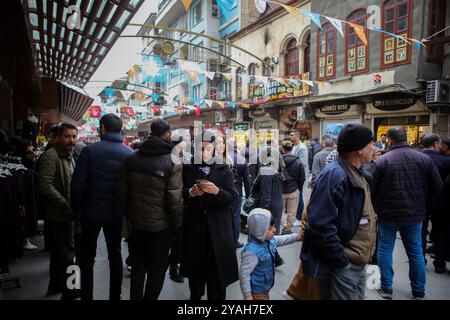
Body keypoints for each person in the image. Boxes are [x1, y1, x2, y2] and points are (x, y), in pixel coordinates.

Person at [300, 124, 376, 300]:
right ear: (358, 149)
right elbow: (319, 224)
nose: (374, 148)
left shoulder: (356, 172)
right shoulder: (335, 175)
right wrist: (341, 261)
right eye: (370, 144)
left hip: (357, 262)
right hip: (345, 263)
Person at [372, 127, 443, 300]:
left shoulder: (382, 161)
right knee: (415, 251)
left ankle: (387, 288)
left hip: (387, 214)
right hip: (415, 214)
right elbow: (437, 186)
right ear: (405, 139)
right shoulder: (424, 159)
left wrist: (377, 208)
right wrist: (425, 204)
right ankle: (418, 290)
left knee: (385, 249)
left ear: (389, 140)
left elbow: (372, 190)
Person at [117, 119, 183, 300]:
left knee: (138, 267)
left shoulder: (131, 158)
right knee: (157, 269)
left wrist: (129, 216)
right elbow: (174, 199)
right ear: (167, 134)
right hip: (161, 228)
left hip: (137, 225)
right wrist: (177, 226)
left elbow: (122, 192)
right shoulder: (173, 162)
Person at [70, 114, 133, 300]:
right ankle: (115, 296)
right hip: (116, 213)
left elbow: (78, 183)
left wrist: (77, 208)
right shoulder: (128, 153)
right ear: (120, 129)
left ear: (102, 128)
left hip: (91, 212)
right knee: (115, 255)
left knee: (87, 257)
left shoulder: (90, 151)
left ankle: (86, 296)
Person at [180, 131, 239, 300]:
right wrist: (191, 192)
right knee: (196, 281)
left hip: (218, 229)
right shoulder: (187, 167)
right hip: (195, 228)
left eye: (208, 149)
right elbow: (179, 193)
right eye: (200, 149)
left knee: (217, 280)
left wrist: (217, 191)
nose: (204, 153)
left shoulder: (223, 168)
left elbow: (232, 196)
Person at [38, 123, 80, 300]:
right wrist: (64, 204)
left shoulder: (72, 154)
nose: (71, 140)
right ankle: (72, 290)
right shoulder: (51, 156)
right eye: (67, 136)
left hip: (67, 212)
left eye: (73, 136)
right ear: (57, 138)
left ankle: (54, 285)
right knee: (69, 253)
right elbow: (45, 185)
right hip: (61, 213)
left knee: (59, 252)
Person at [239, 208, 300, 300]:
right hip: (257, 293)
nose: (275, 230)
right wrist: (247, 295)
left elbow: (282, 239)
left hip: (265, 289)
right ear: (259, 230)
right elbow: (244, 274)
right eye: (270, 228)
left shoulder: (269, 240)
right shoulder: (251, 252)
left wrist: (296, 237)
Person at [421, 134, 450, 274]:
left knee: (420, 233)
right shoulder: (446, 160)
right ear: (435, 144)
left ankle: (420, 261)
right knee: (441, 233)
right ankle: (439, 262)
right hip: (441, 203)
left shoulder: (418, 158)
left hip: (421, 203)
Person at [228, 139, 251, 249]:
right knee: (236, 216)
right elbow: (247, 181)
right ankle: (234, 240)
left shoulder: (222, 158)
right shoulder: (242, 160)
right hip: (237, 191)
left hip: (223, 191)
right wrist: (248, 195)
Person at [280, 140, 305, 235]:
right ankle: (288, 228)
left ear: (283, 149)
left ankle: (284, 225)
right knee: (292, 211)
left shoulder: (279, 161)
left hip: (282, 190)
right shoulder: (298, 161)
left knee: (281, 210)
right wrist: (298, 187)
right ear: (292, 148)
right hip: (293, 189)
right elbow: (302, 178)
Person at [290, 129, 308, 226]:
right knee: (296, 196)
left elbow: (303, 163)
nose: (290, 136)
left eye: (292, 135)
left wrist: (291, 163)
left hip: (299, 176)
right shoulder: (295, 146)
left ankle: (300, 218)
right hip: (294, 176)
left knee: (299, 196)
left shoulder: (302, 148)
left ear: (297, 136)